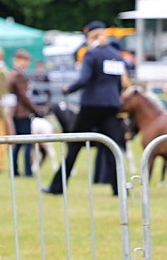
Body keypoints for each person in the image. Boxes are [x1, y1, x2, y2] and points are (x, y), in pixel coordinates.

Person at [44, 24, 126, 196]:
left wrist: (68, 89)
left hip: (92, 106)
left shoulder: (91, 54)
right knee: (113, 148)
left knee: (74, 146)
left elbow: (84, 78)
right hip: (111, 105)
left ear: (90, 37)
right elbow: (119, 83)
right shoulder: (115, 55)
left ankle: (57, 187)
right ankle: (119, 189)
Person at [7, 50, 42, 177]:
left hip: (15, 111)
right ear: (19, 60)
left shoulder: (11, 74)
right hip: (22, 112)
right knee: (27, 142)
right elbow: (24, 96)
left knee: (18, 142)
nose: (27, 64)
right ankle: (27, 171)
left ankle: (15, 169)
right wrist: (36, 110)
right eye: (25, 61)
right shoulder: (18, 75)